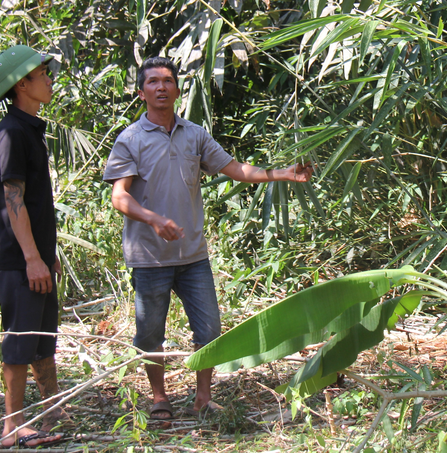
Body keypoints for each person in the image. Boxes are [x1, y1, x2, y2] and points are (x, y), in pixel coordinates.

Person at [103, 56, 313, 420]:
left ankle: (203, 398)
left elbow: (236, 170)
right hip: (150, 258)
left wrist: (284, 173)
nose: (161, 87)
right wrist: (153, 219)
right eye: (152, 82)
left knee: (210, 330)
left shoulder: (194, 134)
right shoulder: (130, 139)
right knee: (151, 335)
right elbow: (119, 196)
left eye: (167, 80)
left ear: (177, 89)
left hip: (192, 256)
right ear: (141, 93)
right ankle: (158, 399)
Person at [0, 45, 68, 448]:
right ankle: (12, 427)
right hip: (20, 261)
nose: (49, 79)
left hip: (35, 256)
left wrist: (46, 252)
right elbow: (12, 197)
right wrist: (31, 257)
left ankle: (51, 412)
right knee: (19, 340)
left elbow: (32, 202)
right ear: (23, 84)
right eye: (43, 73)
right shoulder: (11, 133)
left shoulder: (30, 129)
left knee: (42, 338)